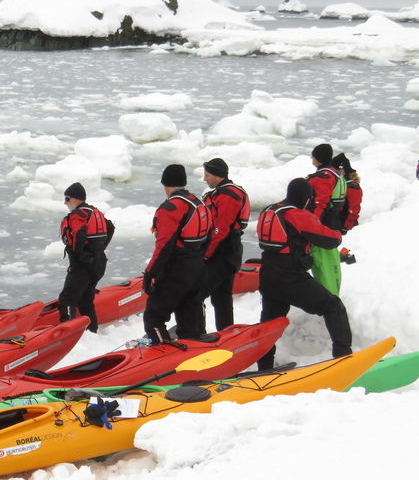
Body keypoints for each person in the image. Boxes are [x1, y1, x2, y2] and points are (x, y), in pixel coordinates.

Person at [255, 178, 352, 370]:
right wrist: (336, 232)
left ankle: (264, 369)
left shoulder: (269, 210)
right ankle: (344, 358)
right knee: (333, 306)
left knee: (269, 326)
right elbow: (331, 240)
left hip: (267, 276)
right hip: (290, 278)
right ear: (306, 199)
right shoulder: (297, 215)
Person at [142, 164, 212, 343]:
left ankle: (162, 355)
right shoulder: (199, 203)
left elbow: (164, 246)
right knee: (189, 315)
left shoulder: (171, 207)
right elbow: (209, 236)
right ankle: (193, 350)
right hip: (198, 267)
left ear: (166, 184)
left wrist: (150, 274)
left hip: (177, 269)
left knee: (153, 317)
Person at [200, 158, 250, 331]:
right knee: (221, 297)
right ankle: (226, 332)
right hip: (226, 253)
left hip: (223, 253)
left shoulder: (228, 195)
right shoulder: (220, 192)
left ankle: (195, 332)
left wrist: (205, 254)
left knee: (195, 295)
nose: (205, 179)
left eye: (207, 175)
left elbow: (220, 230)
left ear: (217, 175)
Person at [57, 182, 114, 334]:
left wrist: (78, 254)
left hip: (83, 265)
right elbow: (111, 227)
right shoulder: (95, 212)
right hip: (99, 263)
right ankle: (92, 330)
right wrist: (100, 249)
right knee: (85, 300)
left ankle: (67, 334)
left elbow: (79, 233)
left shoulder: (78, 215)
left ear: (75, 199)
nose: (65, 202)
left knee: (67, 299)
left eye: (67, 198)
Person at [307, 143, 346, 295]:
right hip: (333, 223)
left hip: (323, 225)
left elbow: (320, 203)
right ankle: (332, 293)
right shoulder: (338, 175)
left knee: (322, 263)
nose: (312, 158)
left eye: (313, 156)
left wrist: (312, 224)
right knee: (331, 262)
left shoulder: (323, 177)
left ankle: (328, 296)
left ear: (318, 158)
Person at [331, 153, 363, 232]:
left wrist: (346, 227)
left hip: (344, 225)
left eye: (334, 169)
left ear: (342, 170)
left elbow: (354, 210)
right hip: (335, 221)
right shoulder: (339, 182)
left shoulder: (352, 187)